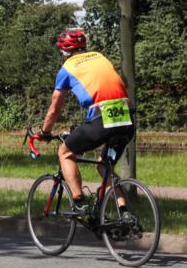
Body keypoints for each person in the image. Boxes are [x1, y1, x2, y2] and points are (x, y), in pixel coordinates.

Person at [39, 28, 135, 218]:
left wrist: (45, 132)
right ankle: (125, 213)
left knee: (65, 153)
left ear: (64, 51)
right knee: (104, 166)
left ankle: (79, 202)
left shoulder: (66, 68)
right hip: (126, 117)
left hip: (101, 119)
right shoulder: (100, 57)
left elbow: (55, 108)